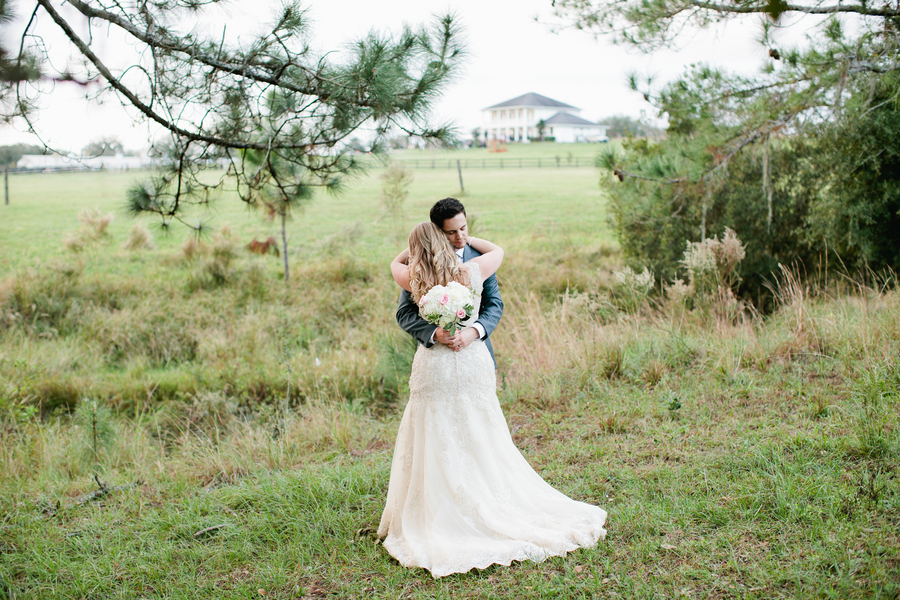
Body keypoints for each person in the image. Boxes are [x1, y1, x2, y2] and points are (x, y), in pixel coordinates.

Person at [378, 216, 607, 578]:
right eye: (451, 231)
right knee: (474, 428)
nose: (461, 236)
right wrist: (435, 330)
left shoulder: (410, 276)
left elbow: (396, 262)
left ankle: (443, 508)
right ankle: (478, 501)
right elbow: (498, 251)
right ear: (443, 236)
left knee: (441, 430)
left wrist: (420, 247)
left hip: (440, 365)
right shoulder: (472, 269)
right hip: (464, 363)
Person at [395, 198, 503, 368]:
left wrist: (473, 332)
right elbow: (404, 313)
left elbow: (494, 304)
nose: (460, 236)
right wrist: (434, 334)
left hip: (476, 354)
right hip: (435, 360)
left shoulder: (480, 258)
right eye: (451, 232)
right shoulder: (418, 265)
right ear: (437, 231)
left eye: (463, 228)